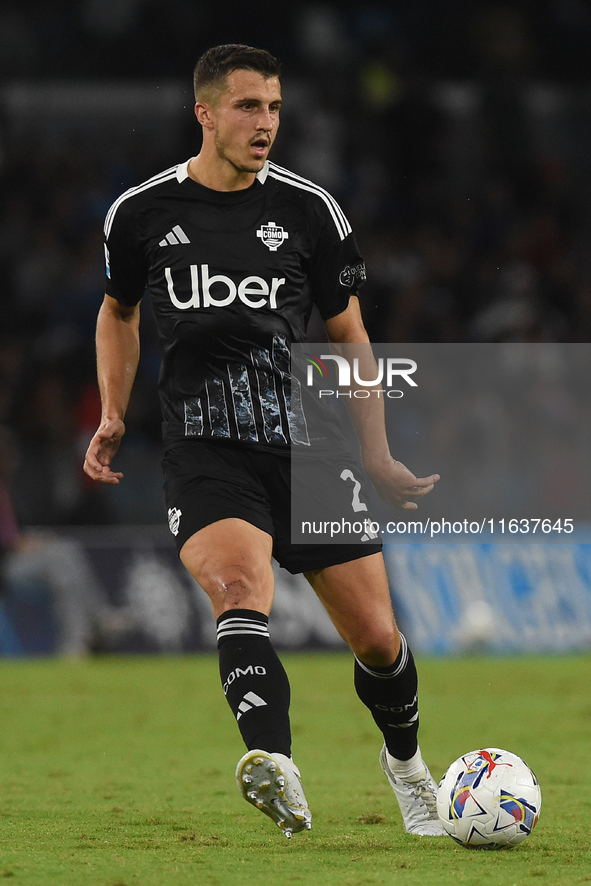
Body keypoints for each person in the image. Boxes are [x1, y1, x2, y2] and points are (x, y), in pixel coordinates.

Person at [84, 44, 443, 839]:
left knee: (380, 641)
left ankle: (408, 769)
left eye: (275, 108)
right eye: (248, 107)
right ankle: (275, 767)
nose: (266, 124)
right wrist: (114, 411)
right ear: (205, 113)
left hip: (306, 450)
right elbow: (118, 313)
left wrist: (376, 453)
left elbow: (350, 335)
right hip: (205, 449)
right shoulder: (140, 214)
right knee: (239, 591)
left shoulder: (311, 211)